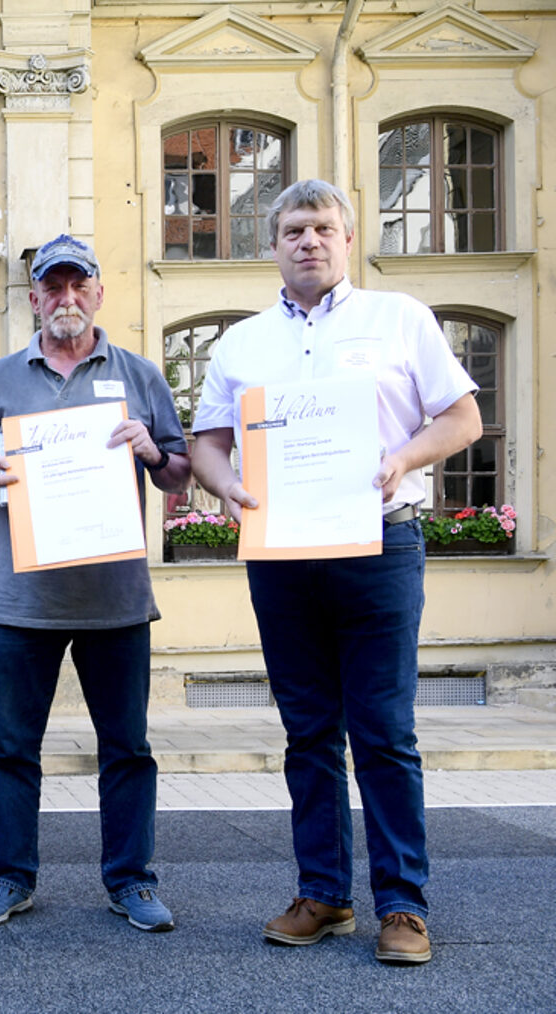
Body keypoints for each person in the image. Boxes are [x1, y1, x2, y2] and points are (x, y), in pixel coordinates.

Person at [190, 180, 481, 965]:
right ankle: (323, 893)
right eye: (293, 229)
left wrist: (403, 457)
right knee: (308, 729)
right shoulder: (241, 341)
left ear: (348, 239)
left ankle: (403, 907)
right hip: (282, 552)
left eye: (322, 227)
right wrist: (223, 484)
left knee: (383, 730)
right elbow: (208, 441)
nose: (308, 241)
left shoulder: (400, 319)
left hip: (379, 544)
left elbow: (462, 417)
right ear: (272, 244)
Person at [0, 234, 190, 932]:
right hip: (23, 600)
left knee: (127, 750)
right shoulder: (0, 377)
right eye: (51, 287)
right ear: (33, 298)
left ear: (96, 292)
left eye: (76, 285)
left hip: (116, 600)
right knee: (12, 751)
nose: (65, 298)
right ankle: (9, 878)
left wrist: (153, 451)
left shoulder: (140, 373)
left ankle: (131, 880)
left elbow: (180, 471)